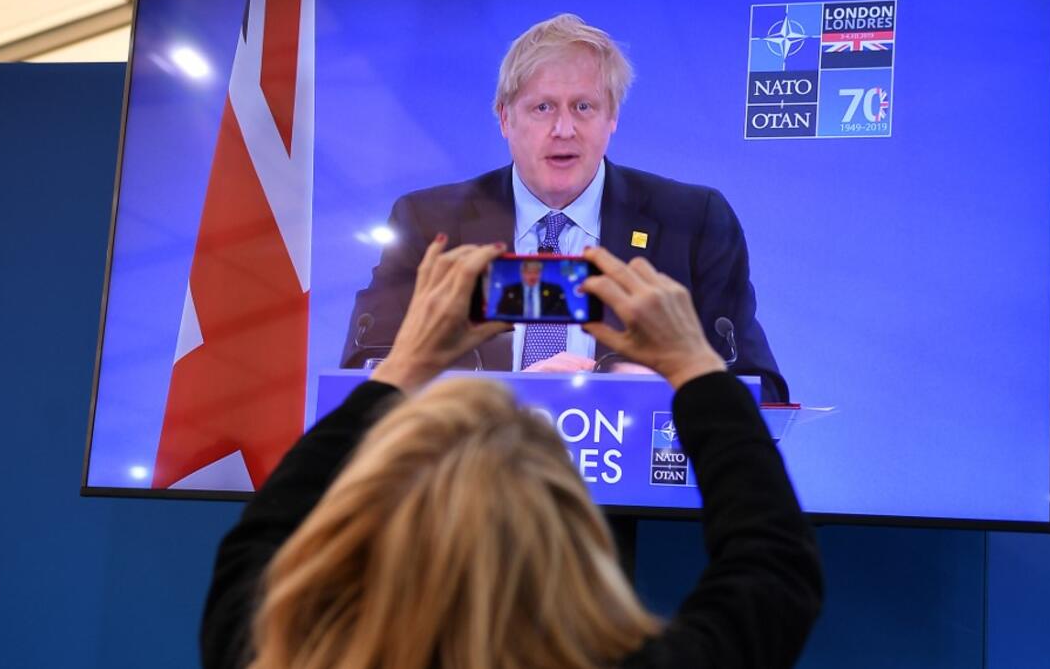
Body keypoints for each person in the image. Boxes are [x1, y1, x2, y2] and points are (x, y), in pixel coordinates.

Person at [203, 239, 823, 669]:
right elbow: (774, 567)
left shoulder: (267, 652)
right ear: (573, 536)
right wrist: (693, 364)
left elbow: (258, 539)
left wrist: (402, 367)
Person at [341, 13, 790, 403]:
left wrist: (668, 387)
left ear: (611, 117)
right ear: (504, 118)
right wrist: (510, 396)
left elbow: (758, 386)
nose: (564, 129)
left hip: (635, 496)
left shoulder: (691, 222)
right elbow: (368, 371)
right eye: (542, 107)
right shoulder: (429, 224)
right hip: (470, 487)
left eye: (583, 106)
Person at [495, 259, 570, 318]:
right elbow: (501, 314)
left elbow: (564, 314)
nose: (532, 277)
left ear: (540, 274)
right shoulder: (510, 290)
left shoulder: (555, 290)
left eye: (536, 273)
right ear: (522, 273)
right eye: (529, 273)